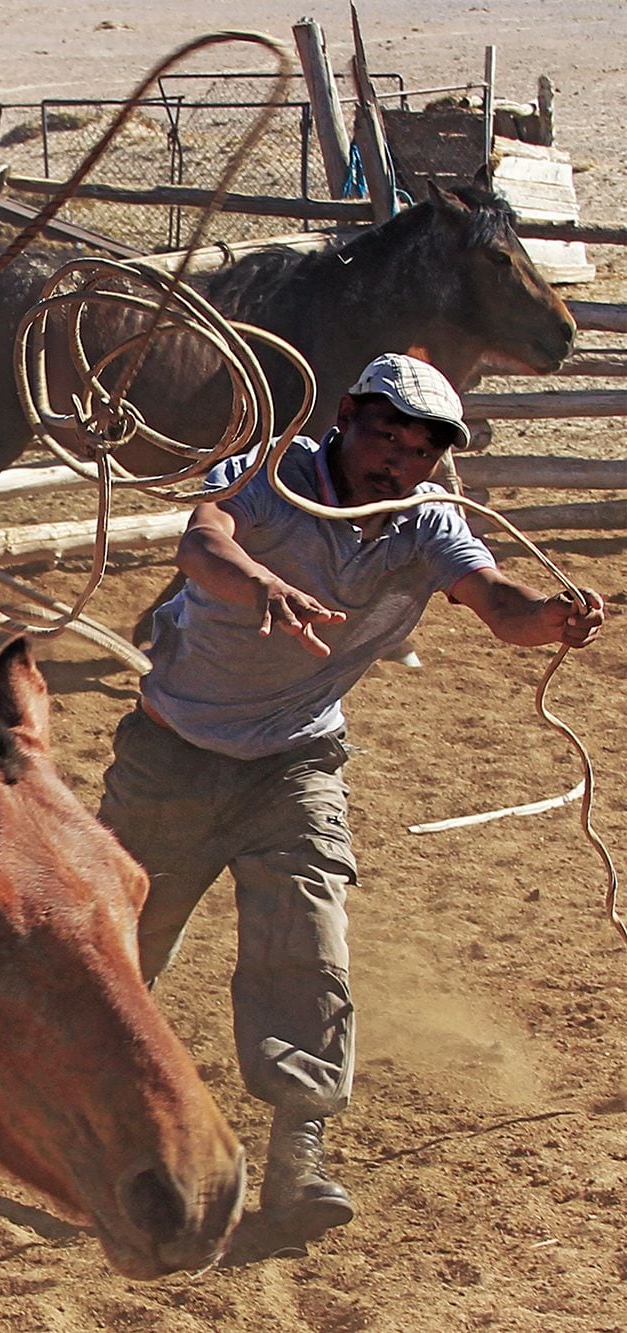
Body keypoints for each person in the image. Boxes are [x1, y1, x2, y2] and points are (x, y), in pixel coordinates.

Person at [98, 353, 605, 1244]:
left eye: (420, 448)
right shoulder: (270, 473)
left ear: (438, 459)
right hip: (170, 755)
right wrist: (260, 583)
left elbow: (497, 600)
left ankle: (301, 1153)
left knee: (310, 939)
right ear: (345, 419)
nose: (397, 460)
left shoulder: (429, 521)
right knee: (110, 950)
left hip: (297, 762)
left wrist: (550, 617)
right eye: (385, 435)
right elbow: (203, 540)